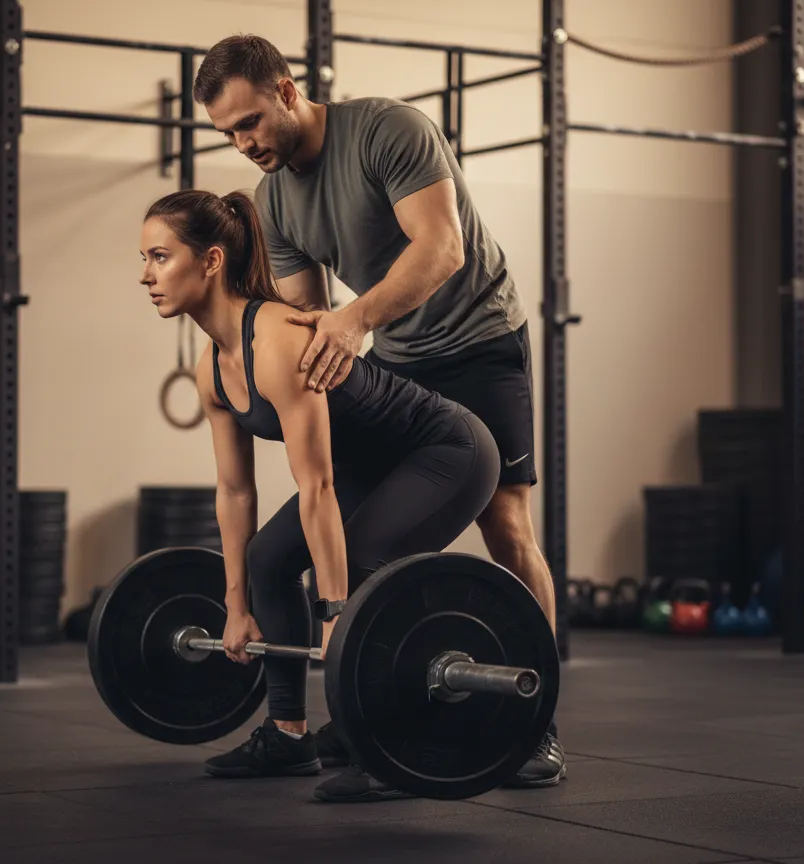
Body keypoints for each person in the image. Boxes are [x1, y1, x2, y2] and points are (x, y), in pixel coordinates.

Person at [191, 34, 566, 794]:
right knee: (354, 540)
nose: (245, 144)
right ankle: (340, 718)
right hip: (399, 359)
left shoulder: (387, 130)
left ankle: (537, 722)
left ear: (287, 91)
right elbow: (303, 318)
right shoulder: (275, 199)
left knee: (505, 524)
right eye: (228, 134)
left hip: (479, 342)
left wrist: (357, 320)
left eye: (251, 122)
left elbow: (443, 249)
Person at [139, 188, 501, 802]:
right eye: (145, 259)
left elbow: (317, 485)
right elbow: (235, 491)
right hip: (373, 465)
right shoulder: (213, 369)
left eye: (159, 257)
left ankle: (387, 742)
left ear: (211, 261)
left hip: (446, 451)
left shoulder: (277, 340)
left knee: (361, 565)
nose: (146, 276)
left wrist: (336, 612)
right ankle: (287, 735)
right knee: (267, 559)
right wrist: (235, 605)